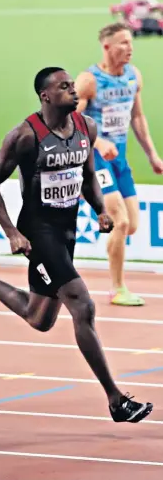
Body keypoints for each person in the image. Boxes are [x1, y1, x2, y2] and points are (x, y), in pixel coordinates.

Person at [0, 67, 153, 423]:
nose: (73, 89)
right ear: (46, 96)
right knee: (82, 305)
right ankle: (116, 400)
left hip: (67, 231)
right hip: (38, 232)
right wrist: (12, 233)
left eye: (72, 85)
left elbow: (86, 175)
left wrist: (99, 210)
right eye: (64, 86)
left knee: (40, 318)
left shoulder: (86, 128)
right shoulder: (24, 136)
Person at [75, 23, 163, 306]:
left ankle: (93, 214)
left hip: (120, 160)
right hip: (96, 159)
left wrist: (152, 155)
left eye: (131, 42)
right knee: (119, 221)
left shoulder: (133, 76)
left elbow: (137, 117)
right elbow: (72, 122)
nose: (130, 48)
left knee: (132, 225)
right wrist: (98, 143)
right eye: (123, 43)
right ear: (107, 47)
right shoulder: (89, 80)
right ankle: (117, 288)